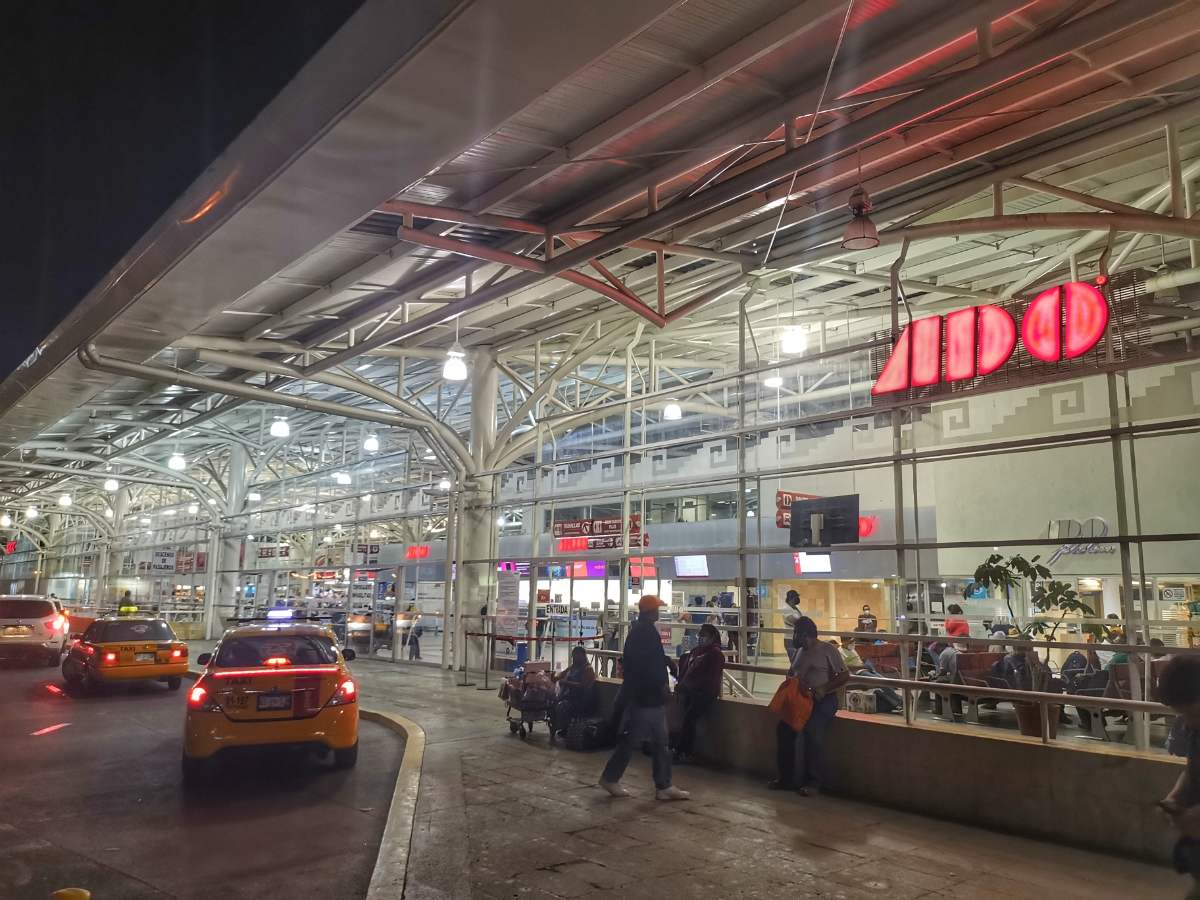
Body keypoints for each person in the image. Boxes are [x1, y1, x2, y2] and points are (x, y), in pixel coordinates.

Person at [599, 595, 690, 801]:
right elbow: (644, 665)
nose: (659, 612)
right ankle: (614, 778)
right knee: (641, 740)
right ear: (650, 611)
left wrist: (666, 661)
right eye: (657, 608)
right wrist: (661, 685)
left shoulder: (641, 631)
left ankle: (663, 784)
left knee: (658, 741)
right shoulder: (644, 632)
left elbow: (651, 659)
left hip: (645, 696)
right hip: (646, 698)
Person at [771, 616, 849, 796]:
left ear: (806, 634)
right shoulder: (800, 651)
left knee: (812, 731)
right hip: (800, 699)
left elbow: (844, 675)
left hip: (823, 700)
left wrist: (823, 688)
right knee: (784, 731)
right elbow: (793, 672)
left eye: (796, 633)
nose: (794, 637)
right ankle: (786, 778)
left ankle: (813, 781)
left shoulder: (827, 650)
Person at [1157, 655, 1200, 896]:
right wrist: (1175, 796)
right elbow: (1192, 768)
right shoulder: (1191, 725)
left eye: (1192, 711)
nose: (1188, 721)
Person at [673, 623, 724, 763]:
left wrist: (691, 687)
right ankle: (681, 750)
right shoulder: (696, 652)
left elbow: (710, 678)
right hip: (691, 691)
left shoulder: (716, 654)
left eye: (704, 635)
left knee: (689, 718)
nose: (701, 638)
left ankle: (683, 751)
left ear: (712, 637)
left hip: (704, 694)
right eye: (699, 635)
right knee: (686, 719)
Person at [552, 645, 597, 734]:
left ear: (583, 656)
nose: (574, 659)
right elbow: (562, 674)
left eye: (576, 656)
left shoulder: (588, 669)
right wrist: (555, 677)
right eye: (573, 656)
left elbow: (583, 686)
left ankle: (565, 727)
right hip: (570, 696)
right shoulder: (573, 667)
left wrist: (566, 683)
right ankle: (557, 726)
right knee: (551, 702)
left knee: (562, 706)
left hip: (582, 699)